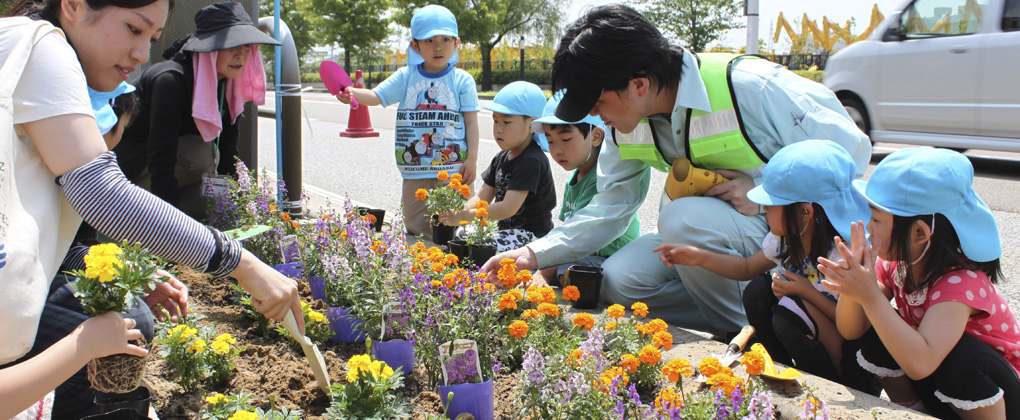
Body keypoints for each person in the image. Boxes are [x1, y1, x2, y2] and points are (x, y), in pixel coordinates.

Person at [480, 4, 871, 338]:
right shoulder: (625, 125)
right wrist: (533, 253)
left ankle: (749, 332)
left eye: (598, 102)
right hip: (715, 241)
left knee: (680, 218)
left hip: (779, 237)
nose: (596, 116)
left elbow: (850, 150)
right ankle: (748, 308)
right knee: (617, 281)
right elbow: (612, 206)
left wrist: (763, 188)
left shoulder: (751, 87)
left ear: (638, 84)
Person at [0, 1, 302, 417]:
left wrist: (123, 268)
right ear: (72, 5)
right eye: (132, 28)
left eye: (153, 38)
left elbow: (31, 235)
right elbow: (99, 190)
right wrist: (242, 264)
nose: (143, 54)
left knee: (124, 319)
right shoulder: (41, 47)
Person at [655, 140, 876, 393]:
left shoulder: (841, 256)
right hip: (811, 328)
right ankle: (778, 369)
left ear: (805, 212)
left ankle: (822, 386)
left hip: (848, 360)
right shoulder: (784, 240)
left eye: (771, 205)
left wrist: (806, 292)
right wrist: (699, 257)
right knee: (758, 291)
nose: (764, 210)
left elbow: (850, 327)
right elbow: (747, 267)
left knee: (788, 314)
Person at [819, 147, 1020, 419]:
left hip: (1001, 396)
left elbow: (921, 364)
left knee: (961, 357)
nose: (868, 226)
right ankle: (915, 413)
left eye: (876, 219)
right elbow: (851, 330)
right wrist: (856, 288)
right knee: (877, 324)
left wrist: (870, 297)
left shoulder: (961, 283)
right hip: (943, 390)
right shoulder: (896, 265)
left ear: (919, 233)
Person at [116, 1, 279, 220]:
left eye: (247, 46)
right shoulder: (172, 80)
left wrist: (240, 210)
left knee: (210, 202)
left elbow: (229, 150)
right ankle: (131, 211)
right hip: (127, 165)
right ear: (210, 48)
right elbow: (161, 154)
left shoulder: (229, 84)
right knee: (200, 154)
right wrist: (171, 225)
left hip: (172, 163)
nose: (241, 54)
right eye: (232, 45)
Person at [335, 4, 479, 241]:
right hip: (415, 168)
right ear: (415, 45)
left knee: (457, 225)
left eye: (445, 39)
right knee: (416, 227)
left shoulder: (463, 80)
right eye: (429, 40)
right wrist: (350, 93)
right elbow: (375, 96)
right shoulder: (406, 76)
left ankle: (453, 264)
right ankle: (420, 269)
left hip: (454, 168)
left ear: (457, 43)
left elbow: (472, 123)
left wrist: (472, 159)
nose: (438, 46)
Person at [526, 91, 639, 288]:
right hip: (586, 253)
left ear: (595, 136)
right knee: (535, 266)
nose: (557, 150)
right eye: (550, 140)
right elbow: (566, 227)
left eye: (566, 139)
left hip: (612, 256)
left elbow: (575, 237)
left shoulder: (600, 177)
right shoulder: (576, 176)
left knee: (567, 273)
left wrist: (543, 274)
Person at [439, 81, 554, 251]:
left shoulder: (532, 161)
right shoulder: (501, 157)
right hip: (508, 234)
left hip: (532, 237)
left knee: (478, 246)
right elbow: (481, 198)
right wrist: (454, 215)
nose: (498, 129)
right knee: (461, 233)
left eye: (506, 122)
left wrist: (465, 216)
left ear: (532, 125)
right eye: (495, 121)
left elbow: (507, 208)